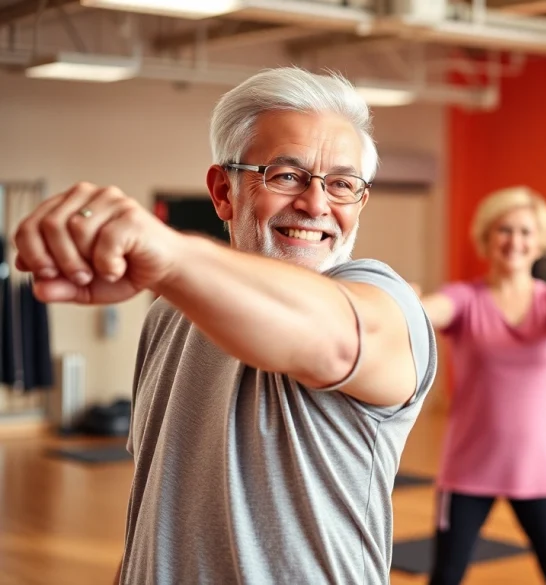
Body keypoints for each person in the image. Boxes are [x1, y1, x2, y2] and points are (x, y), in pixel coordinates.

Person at [12, 66, 437, 585]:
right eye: (286, 176)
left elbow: (331, 336)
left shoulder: (385, 302)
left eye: (343, 184)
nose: (316, 203)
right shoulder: (169, 314)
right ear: (223, 192)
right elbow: (154, 504)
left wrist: (168, 254)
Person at [416, 186, 546, 585]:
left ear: (540, 242)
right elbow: (432, 311)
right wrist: (408, 304)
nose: (515, 241)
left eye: (526, 232)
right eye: (504, 230)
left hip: (541, 471)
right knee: (446, 576)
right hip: (468, 469)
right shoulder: (465, 298)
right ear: (487, 238)